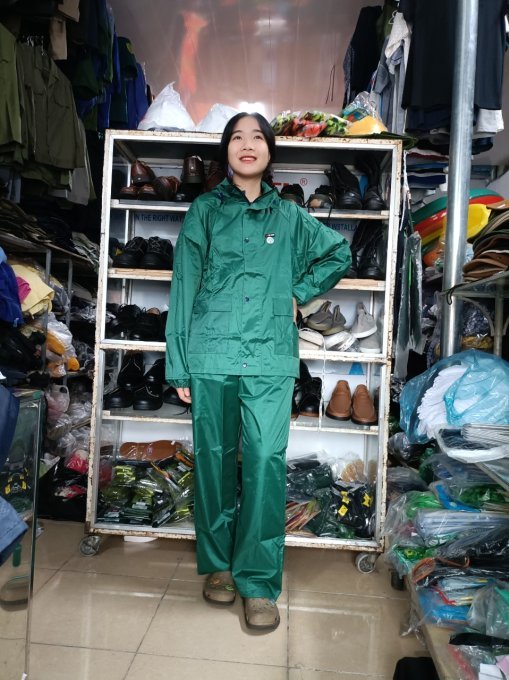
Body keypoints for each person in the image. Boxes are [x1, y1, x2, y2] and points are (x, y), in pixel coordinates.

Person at [165, 112, 351, 631]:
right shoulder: (205, 211)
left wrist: (299, 292)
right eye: (236, 137)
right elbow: (183, 285)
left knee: (266, 462)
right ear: (226, 150)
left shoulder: (289, 217)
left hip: (270, 356)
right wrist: (179, 364)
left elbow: (339, 252)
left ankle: (259, 581)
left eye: (257, 137)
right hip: (211, 353)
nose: (247, 145)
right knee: (214, 461)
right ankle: (219, 566)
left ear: (270, 151)